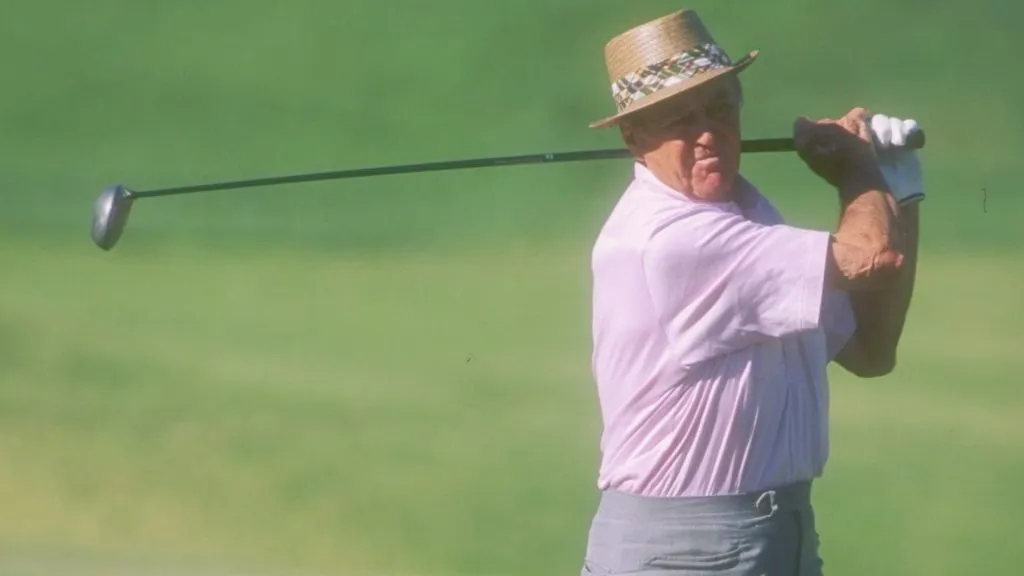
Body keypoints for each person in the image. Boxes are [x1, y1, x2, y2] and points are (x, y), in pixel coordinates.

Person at [581, 8, 923, 576]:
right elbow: (873, 256)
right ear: (633, 136)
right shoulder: (675, 240)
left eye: (719, 108)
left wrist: (901, 194)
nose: (707, 133)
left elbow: (871, 350)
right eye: (678, 119)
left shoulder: (747, 216)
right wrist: (858, 171)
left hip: (773, 540)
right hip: (687, 552)